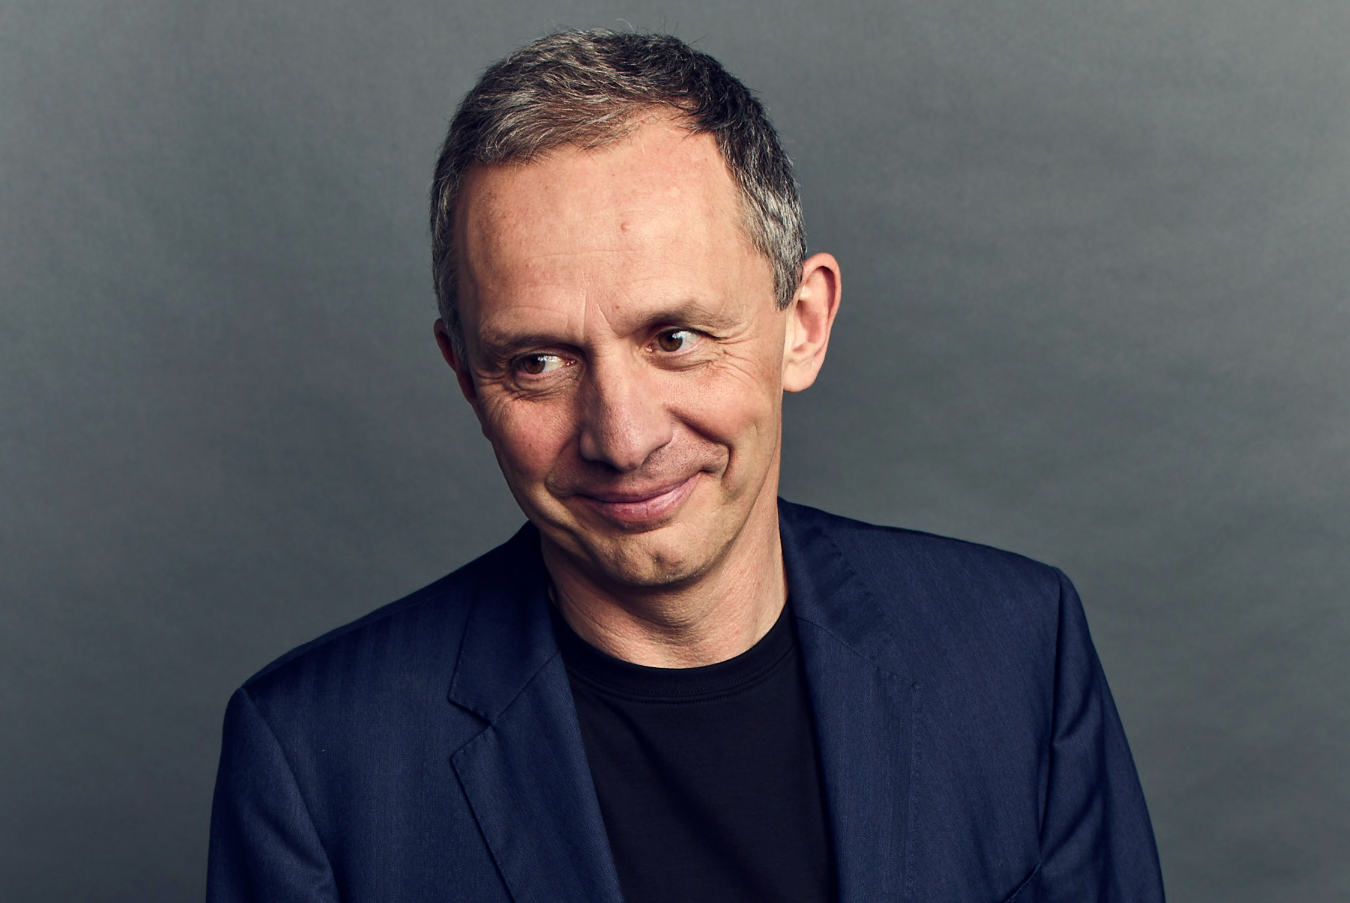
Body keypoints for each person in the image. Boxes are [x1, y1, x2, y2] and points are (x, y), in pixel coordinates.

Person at [207, 29, 1165, 903]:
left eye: (674, 336)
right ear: (466, 376)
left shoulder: (1016, 653)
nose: (621, 437)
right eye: (538, 361)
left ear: (805, 324)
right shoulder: (316, 760)